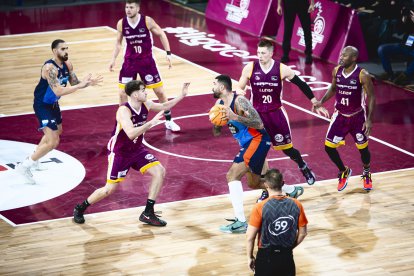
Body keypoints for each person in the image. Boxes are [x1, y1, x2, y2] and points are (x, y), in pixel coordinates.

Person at [73, 80, 190, 226]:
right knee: (109, 190)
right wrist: (149, 124)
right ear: (135, 94)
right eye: (143, 90)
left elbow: (164, 106)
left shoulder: (146, 103)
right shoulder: (124, 110)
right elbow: (130, 133)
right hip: (120, 153)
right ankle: (80, 208)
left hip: (137, 150)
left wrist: (182, 95)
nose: (146, 92)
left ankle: (148, 212)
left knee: (159, 171)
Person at [237, 39, 329, 201]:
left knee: (287, 149)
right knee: (259, 153)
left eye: (263, 53)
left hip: (276, 115)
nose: (260, 56)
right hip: (257, 117)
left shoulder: (281, 69)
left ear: (271, 53)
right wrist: (240, 93)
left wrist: (315, 102)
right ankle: (267, 188)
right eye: (258, 52)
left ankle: (303, 166)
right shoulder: (250, 67)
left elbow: (301, 83)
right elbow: (240, 87)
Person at [212, 75, 303, 234]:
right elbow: (217, 130)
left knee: (232, 176)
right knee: (254, 183)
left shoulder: (240, 101)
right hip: (248, 143)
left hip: (258, 139)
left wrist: (235, 117)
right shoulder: (219, 104)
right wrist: (216, 121)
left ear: (222, 88)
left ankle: (240, 222)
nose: (211, 87)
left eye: (213, 84)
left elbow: (259, 123)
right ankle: (288, 190)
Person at [15, 39, 103, 184]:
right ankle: (24, 166)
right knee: (53, 142)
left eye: (67, 48)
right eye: (63, 49)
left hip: (53, 103)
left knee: (58, 131)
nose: (66, 51)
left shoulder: (68, 64)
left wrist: (87, 83)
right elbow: (58, 90)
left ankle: (35, 156)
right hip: (42, 104)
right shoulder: (50, 68)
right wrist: (80, 86)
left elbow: (74, 83)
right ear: (55, 51)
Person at [109, 0, 181, 132]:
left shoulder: (147, 21)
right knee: (122, 94)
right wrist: (113, 59)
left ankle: (169, 120)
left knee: (160, 92)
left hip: (147, 62)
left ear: (137, 8)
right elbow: (118, 43)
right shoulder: (121, 23)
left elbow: (161, 34)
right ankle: (122, 125)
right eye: (126, 7)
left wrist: (168, 53)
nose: (128, 10)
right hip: (129, 62)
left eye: (131, 7)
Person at [319, 46, 376, 191]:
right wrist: (321, 101)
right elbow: (333, 88)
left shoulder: (363, 75)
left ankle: (367, 172)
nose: (341, 57)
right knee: (329, 147)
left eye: (344, 55)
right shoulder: (337, 70)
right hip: (340, 116)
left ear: (353, 58)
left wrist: (369, 120)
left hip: (357, 117)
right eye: (341, 54)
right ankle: (344, 170)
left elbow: (372, 97)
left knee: (363, 149)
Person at [246, 168, 308, 276]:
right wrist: (289, 248)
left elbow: (250, 237)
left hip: (265, 257)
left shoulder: (259, 207)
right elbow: (303, 233)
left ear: (266, 185)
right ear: (283, 183)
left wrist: (250, 257)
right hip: (286, 257)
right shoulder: (297, 204)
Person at [377, 6, 414, 85]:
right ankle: (389, 73)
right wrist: (403, 19)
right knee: (382, 49)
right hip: (405, 45)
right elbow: (399, 32)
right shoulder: (409, 18)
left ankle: (405, 76)